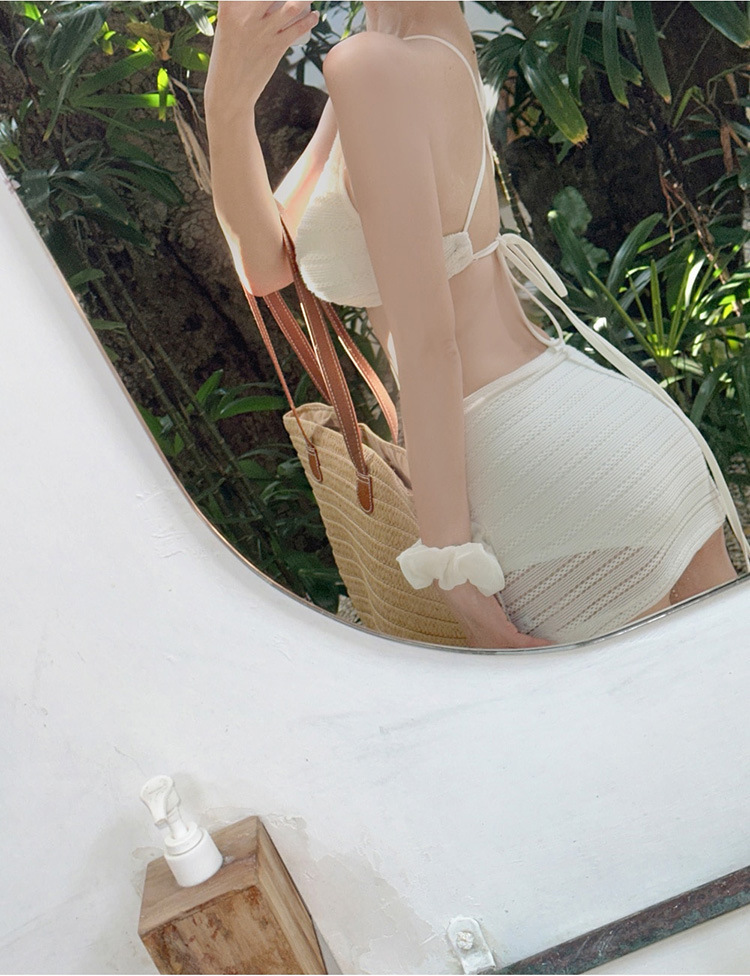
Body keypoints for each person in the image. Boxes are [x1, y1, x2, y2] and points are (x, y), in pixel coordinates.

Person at [205, 0, 749, 649]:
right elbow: (268, 263)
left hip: (537, 469)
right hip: (612, 433)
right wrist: (227, 106)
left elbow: (430, 344)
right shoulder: (409, 39)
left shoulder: (367, 65)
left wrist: (450, 564)